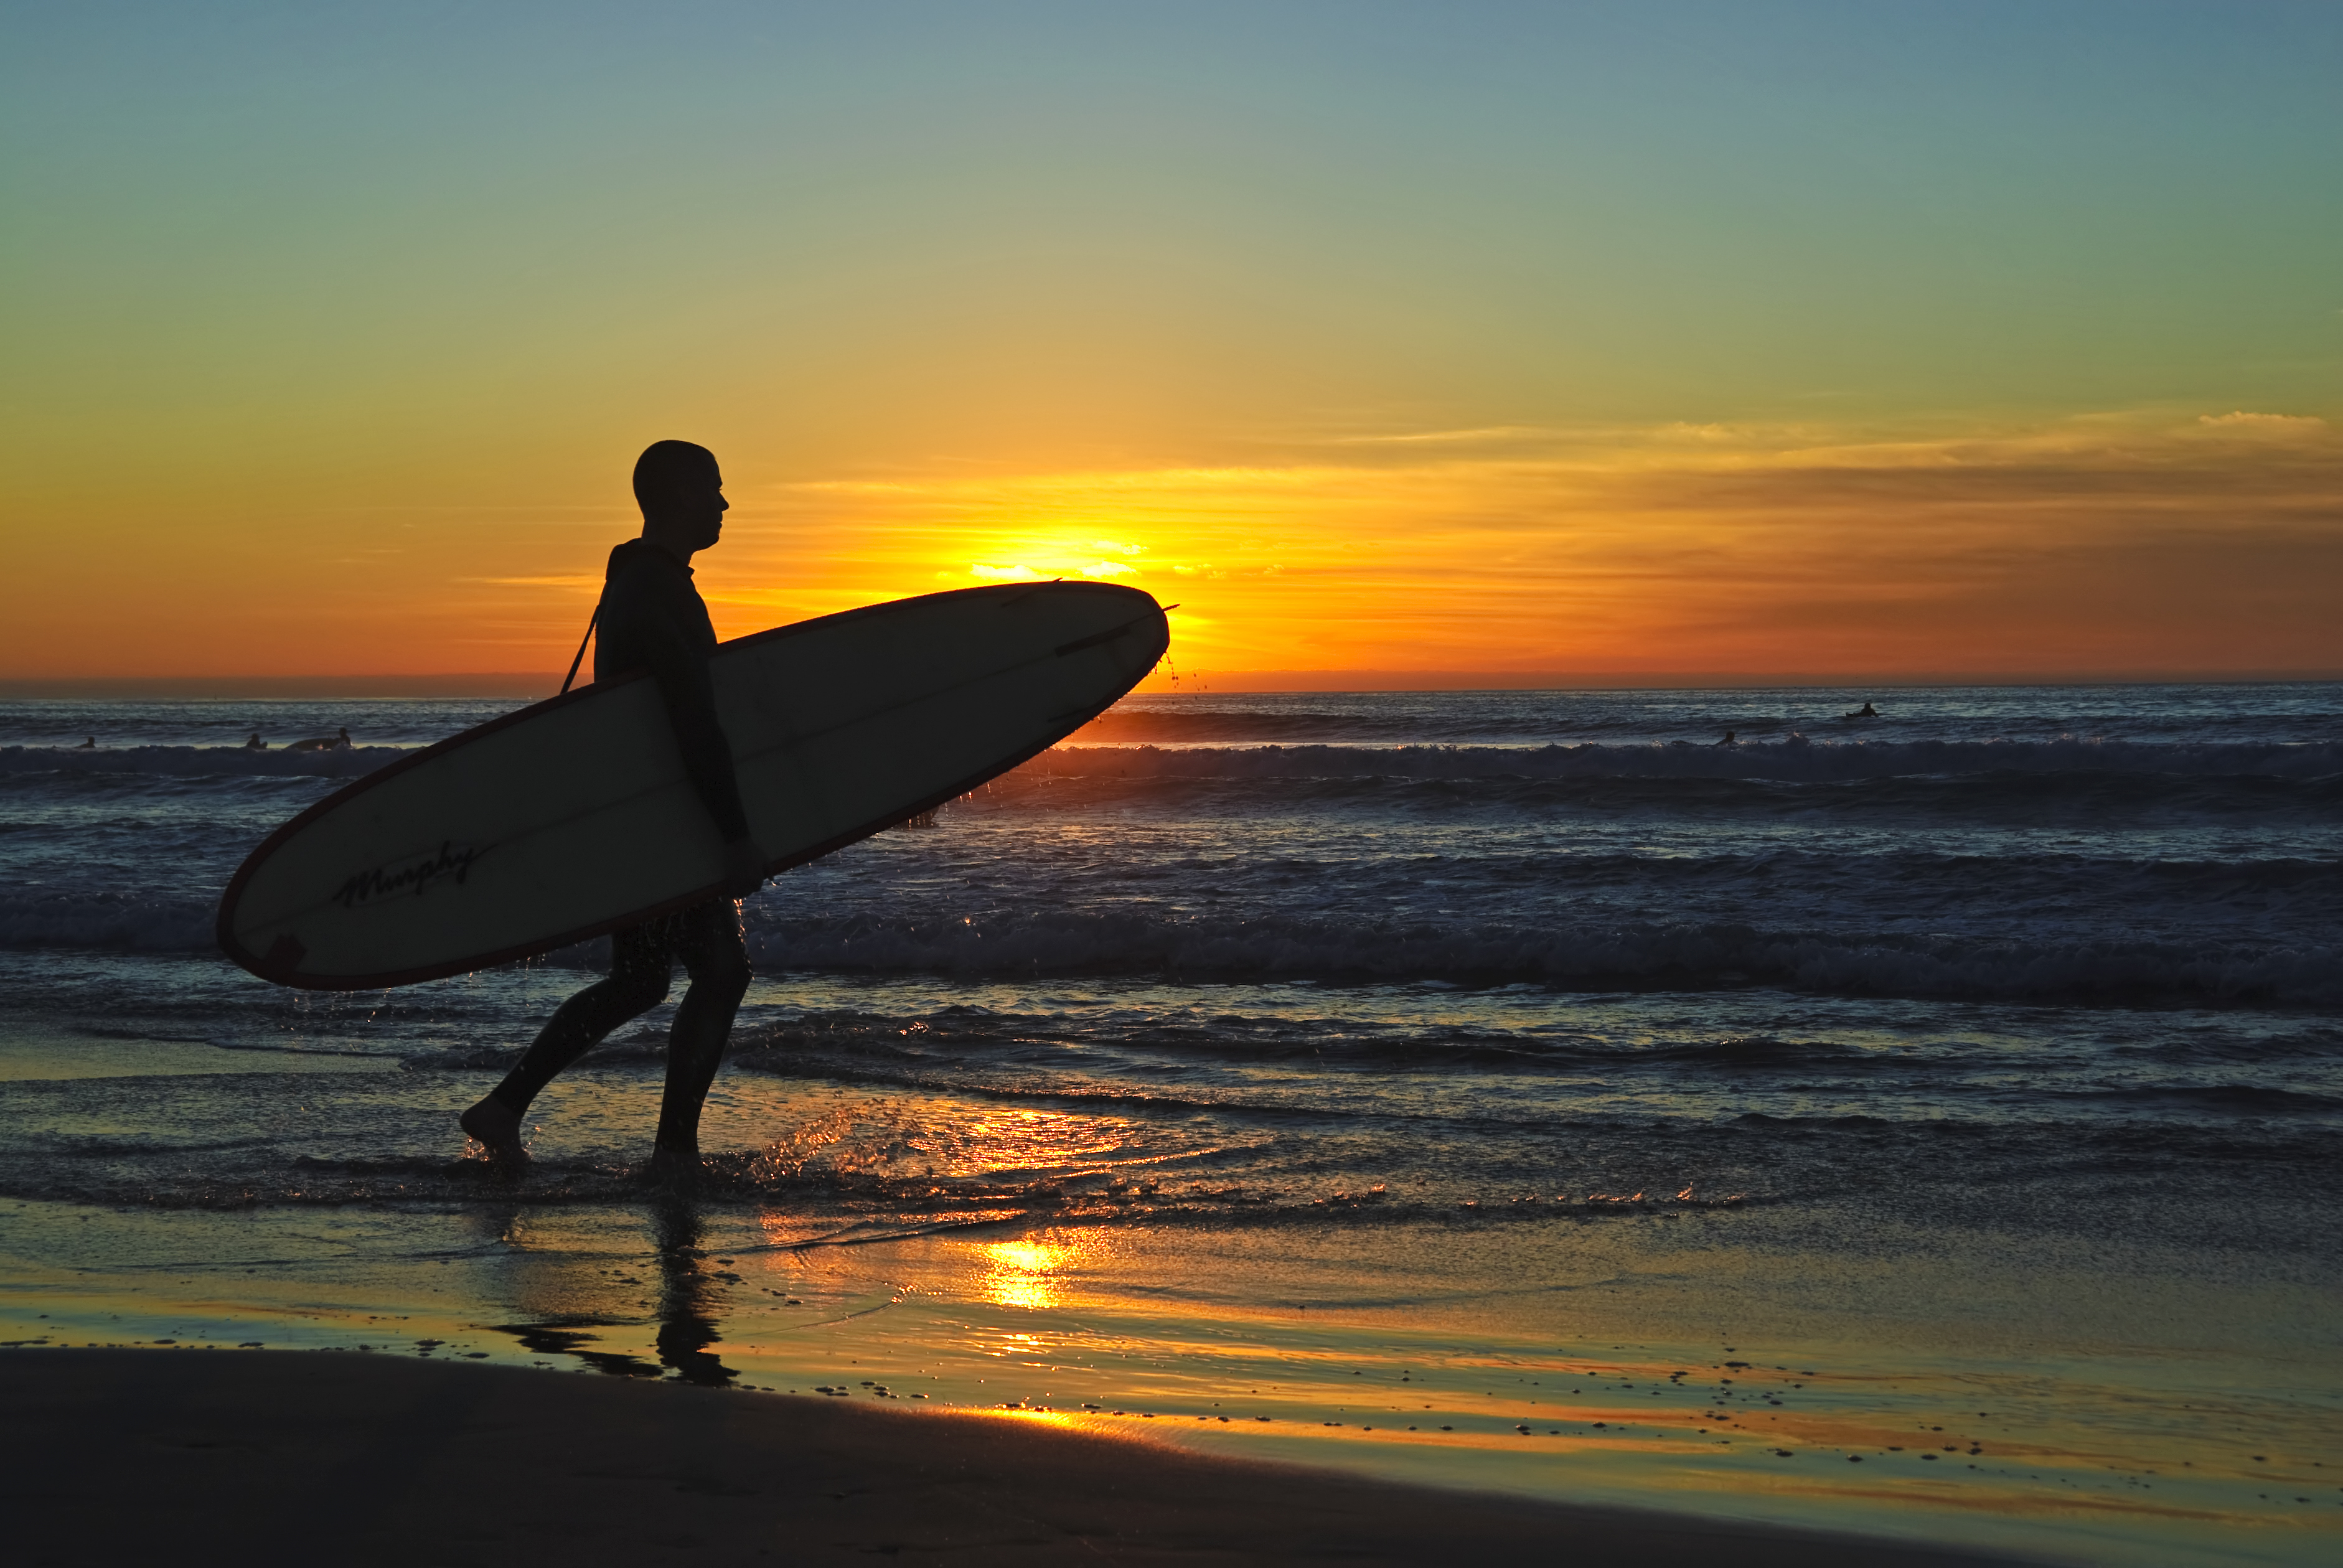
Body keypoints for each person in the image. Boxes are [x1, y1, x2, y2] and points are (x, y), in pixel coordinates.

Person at [459, 440, 767, 1172]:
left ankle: (502, 1108)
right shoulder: (656, 589)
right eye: (715, 489)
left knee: (641, 979)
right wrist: (733, 834)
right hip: (664, 824)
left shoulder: (635, 580)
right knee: (720, 972)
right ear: (681, 494)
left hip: (637, 819)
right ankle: (674, 1154)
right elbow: (693, 722)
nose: (725, 504)